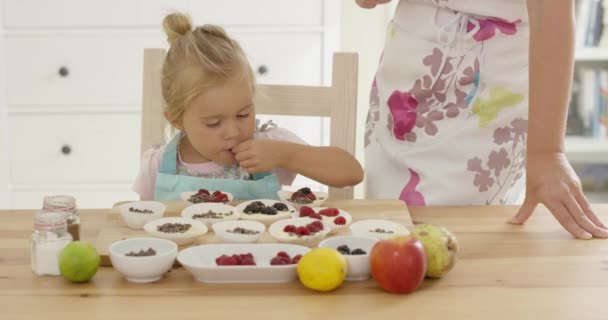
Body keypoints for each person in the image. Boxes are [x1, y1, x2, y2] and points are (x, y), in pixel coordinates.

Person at [359, 0, 608, 239]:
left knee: (463, 245)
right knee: (386, 230)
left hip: (490, 81)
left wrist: (547, 153)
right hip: (404, 71)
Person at [133, 12, 363, 201]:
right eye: (214, 123)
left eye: (243, 114)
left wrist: (284, 154)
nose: (234, 131)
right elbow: (146, 224)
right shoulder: (160, 164)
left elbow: (351, 172)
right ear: (176, 119)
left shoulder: (269, 147)